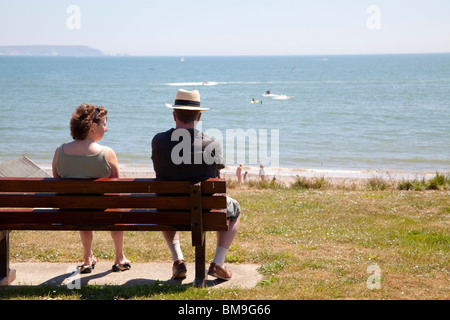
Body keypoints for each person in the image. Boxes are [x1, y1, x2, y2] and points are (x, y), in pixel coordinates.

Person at [151, 89, 241, 281]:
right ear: (199, 116)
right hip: (204, 211)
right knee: (236, 209)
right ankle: (218, 262)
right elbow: (217, 178)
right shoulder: (211, 144)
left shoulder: (158, 141)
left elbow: (159, 172)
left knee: (165, 201)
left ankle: (178, 260)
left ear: (174, 114)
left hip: (169, 208)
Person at [51, 103, 131, 273]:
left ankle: (88, 257)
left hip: (71, 212)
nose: (106, 129)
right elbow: (116, 191)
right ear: (93, 126)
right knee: (116, 206)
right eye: (104, 124)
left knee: (80, 203)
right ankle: (119, 257)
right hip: (102, 212)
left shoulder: (60, 151)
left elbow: (57, 187)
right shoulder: (107, 153)